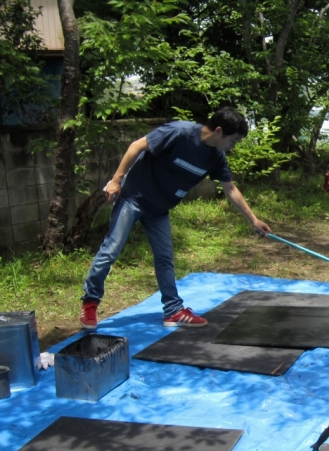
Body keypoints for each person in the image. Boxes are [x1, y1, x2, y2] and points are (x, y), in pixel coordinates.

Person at [80, 107, 272, 329]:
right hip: (133, 197)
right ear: (219, 131)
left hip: (159, 208)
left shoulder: (216, 157)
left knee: (165, 258)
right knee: (111, 250)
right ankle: (90, 303)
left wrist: (253, 219)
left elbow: (230, 189)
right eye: (234, 140)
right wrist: (116, 180)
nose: (234, 146)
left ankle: (172, 310)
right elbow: (136, 146)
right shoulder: (180, 132)